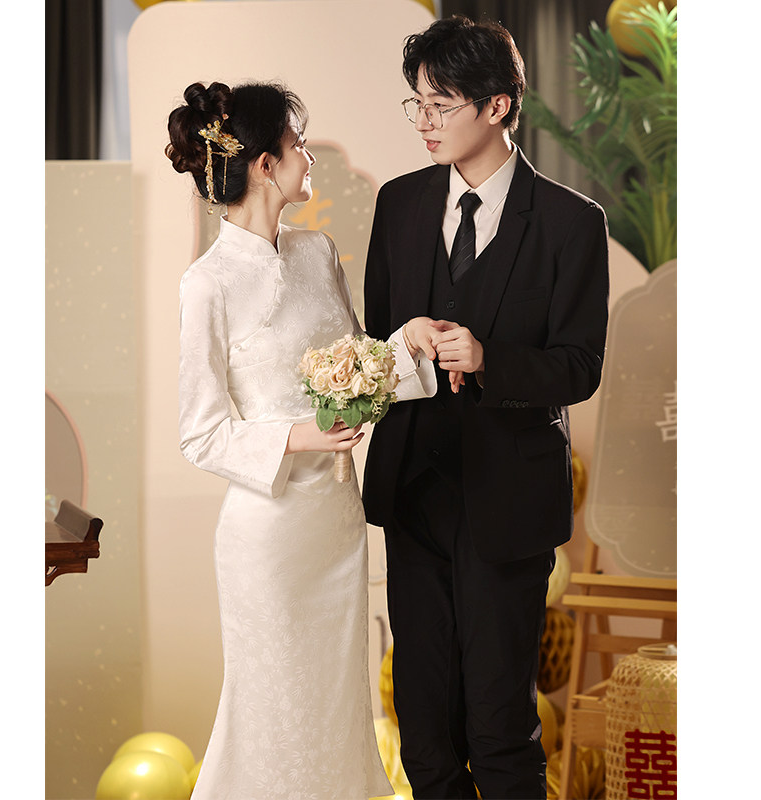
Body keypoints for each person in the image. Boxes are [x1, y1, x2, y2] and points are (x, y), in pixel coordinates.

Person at [166, 80, 438, 800]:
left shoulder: (318, 252)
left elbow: (357, 372)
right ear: (265, 165)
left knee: (337, 710)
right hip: (269, 537)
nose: (308, 157)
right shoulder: (207, 284)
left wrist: (408, 348)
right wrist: (299, 436)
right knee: (274, 711)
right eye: (298, 144)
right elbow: (200, 433)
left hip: (336, 525)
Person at [362, 16, 610, 800]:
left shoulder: (572, 222)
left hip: (509, 503)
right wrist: (403, 337)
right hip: (415, 497)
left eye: (441, 104)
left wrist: (488, 358)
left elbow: (580, 366)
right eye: (418, 103)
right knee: (424, 725)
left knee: (500, 725)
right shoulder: (399, 205)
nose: (424, 121)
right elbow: (373, 340)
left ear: (498, 106)